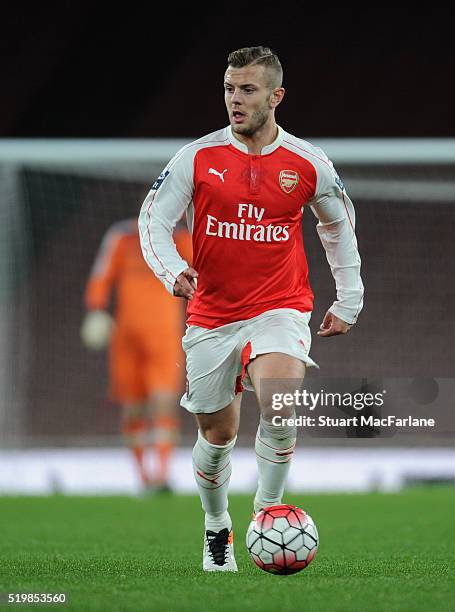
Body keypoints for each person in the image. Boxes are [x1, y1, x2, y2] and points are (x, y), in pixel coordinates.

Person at [138, 46, 364, 570]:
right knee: (218, 435)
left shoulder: (307, 163)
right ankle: (217, 525)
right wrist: (173, 269)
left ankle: (268, 513)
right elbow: (153, 220)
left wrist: (349, 299)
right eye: (228, 89)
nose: (234, 100)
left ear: (275, 96)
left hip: (280, 307)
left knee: (281, 405)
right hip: (212, 315)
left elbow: (338, 227)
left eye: (247, 90)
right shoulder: (197, 157)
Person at [81, 217, 192, 491]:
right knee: (133, 409)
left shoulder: (182, 240)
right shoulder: (122, 237)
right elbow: (100, 276)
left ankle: (162, 475)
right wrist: (96, 308)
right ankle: (144, 478)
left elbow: (204, 274)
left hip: (165, 334)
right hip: (126, 337)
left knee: (163, 403)